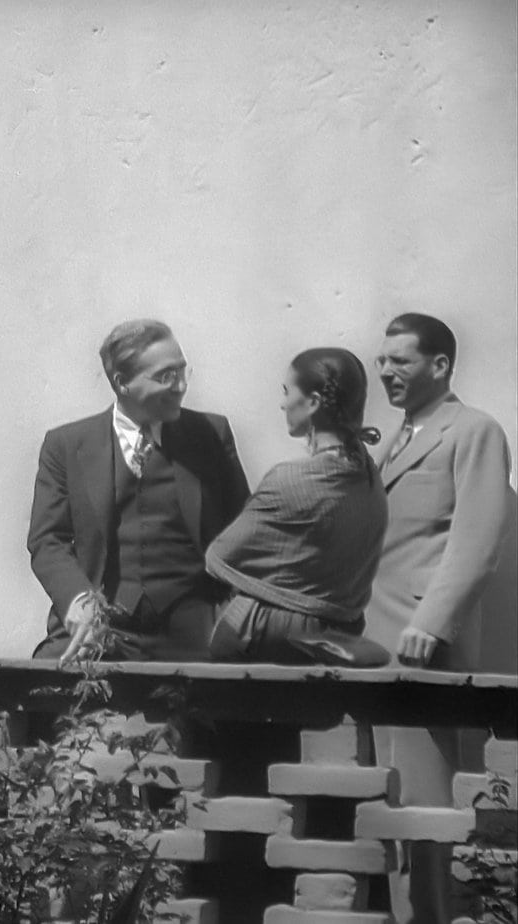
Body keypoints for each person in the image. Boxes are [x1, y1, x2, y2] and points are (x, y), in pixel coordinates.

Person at [367, 313, 514, 924]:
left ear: (440, 365)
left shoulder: (473, 430)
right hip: (368, 651)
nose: (385, 371)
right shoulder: (393, 439)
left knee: (422, 818)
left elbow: (479, 538)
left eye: (400, 360)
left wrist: (433, 621)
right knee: (377, 813)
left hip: (419, 652)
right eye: (382, 361)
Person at [28, 319, 250, 662]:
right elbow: (47, 541)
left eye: (182, 371)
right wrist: (77, 601)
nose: (180, 386)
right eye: (165, 376)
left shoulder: (211, 435)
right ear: (122, 383)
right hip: (102, 626)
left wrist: (232, 611)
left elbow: (244, 532)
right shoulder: (66, 446)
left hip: (195, 630)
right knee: (42, 689)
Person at [205, 348, 387, 662]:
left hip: (267, 637)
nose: (282, 403)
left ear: (314, 402)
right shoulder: (369, 475)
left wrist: (280, 590)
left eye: (287, 392)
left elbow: (219, 558)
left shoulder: (291, 479)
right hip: (342, 636)